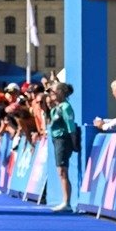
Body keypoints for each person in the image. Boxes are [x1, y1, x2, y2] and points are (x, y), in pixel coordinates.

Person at [45, 82, 77, 211]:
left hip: (63, 140)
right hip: (56, 139)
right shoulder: (55, 108)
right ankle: (65, 200)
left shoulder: (65, 107)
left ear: (61, 93)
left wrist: (74, 143)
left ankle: (67, 202)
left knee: (63, 171)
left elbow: (71, 126)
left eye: (53, 92)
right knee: (61, 171)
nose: (51, 95)